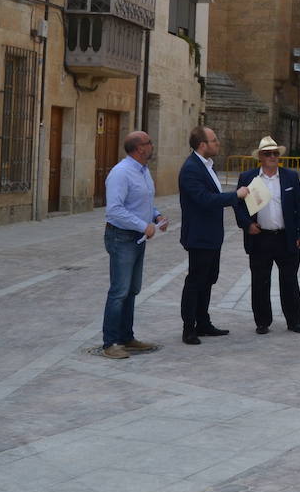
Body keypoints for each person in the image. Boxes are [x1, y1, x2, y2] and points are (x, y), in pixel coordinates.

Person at [178, 125, 248, 345]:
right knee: (196, 281)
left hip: (212, 235)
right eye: (214, 140)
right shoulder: (191, 169)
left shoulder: (208, 166)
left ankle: (203, 322)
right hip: (199, 235)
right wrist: (235, 196)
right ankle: (189, 328)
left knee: (208, 279)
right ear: (202, 145)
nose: (218, 143)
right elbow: (204, 199)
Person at [101, 131, 167, 360]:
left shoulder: (143, 171)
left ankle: (127, 337)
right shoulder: (121, 173)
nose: (152, 145)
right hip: (121, 238)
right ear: (140, 148)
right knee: (119, 291)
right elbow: (115, 210)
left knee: (132, 290)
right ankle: (110, 343)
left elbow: (142, 201)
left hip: (136, 238)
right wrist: (142, 225)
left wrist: (156, 217)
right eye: (149, 142)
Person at [233, 135, 300, 334]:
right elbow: (239, 207)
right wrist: (247, 225)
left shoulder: (290, 177)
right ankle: (262, 322)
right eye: (268, 154)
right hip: (260, 238)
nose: (273, 157)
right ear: (260, 157)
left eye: (276, 153)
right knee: (260, 281)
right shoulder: (248, 178)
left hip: (286, 237)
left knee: (290, 281)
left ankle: (294, 321)